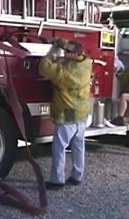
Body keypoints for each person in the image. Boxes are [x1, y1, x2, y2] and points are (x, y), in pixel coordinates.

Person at [38, 38, 92, 190]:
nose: (65, 53)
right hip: (81, 112)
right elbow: (80, 54)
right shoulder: (86, 63)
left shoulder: (64, 71)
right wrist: (64, 44)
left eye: (68, 51)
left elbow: (44, 67)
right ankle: (77, 175)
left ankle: (57, 180)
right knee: (78, 145)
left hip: (68, 113)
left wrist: (52, 51)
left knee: (59, 147)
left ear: (75, 54)